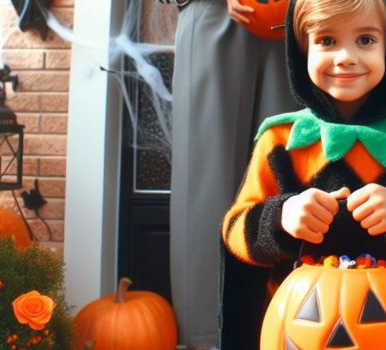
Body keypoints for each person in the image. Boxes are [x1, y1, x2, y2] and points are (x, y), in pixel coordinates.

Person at [221, 0, 386, 348]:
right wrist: (280, 218)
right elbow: (234, 229)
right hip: (297, 327)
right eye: (327, 41)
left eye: (366, 40)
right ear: (301, 49)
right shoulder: (279, 142)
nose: (346, 56)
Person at [156, 0, 298, 348]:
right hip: (213, 11)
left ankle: (289, 334)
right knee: (206, 185)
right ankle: (207, 340)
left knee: (289, 185)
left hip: (295, 18)